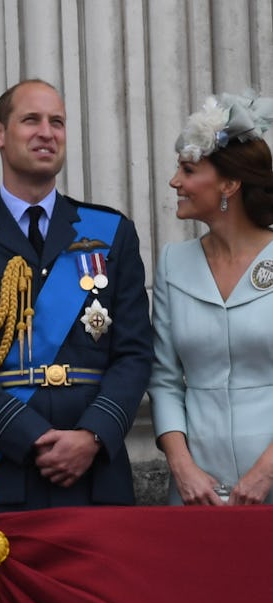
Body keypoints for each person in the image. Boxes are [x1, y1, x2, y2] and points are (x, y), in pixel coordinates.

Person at [0, 79, 153, 511]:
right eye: (32, 120)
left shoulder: (110, 233)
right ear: (0, 134)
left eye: (57, 122)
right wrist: (27, 434)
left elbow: (135, 352)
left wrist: (92, 435)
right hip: (2, 466)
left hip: (95, 474)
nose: (47, 132)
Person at [149, 90, 273, 505]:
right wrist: (183, 470)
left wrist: (264, 474)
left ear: (230, 184)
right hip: (194, 494)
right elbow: (164, 380)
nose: (174, 182)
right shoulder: (172, 264)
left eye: (187, 170)